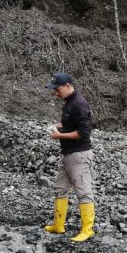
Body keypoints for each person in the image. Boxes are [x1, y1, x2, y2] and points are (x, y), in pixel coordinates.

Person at [43, 72, 96, 242]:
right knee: (60, 188)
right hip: (67, 155)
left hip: (79, 155)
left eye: (57, 89)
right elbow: (70, 124)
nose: (55, 93)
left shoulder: (79, 103)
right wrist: (57, 126)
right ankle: (58, 225)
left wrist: (59, 136)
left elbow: (83, 132)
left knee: (83, 192)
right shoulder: (69, 102)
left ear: (67, 86)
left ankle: (88, 230)